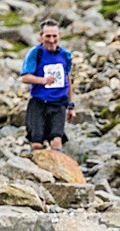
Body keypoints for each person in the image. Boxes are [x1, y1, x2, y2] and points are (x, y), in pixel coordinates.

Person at [20, 19, 76, 152]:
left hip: (58, 104)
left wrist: (71, 106)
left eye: (54, 36)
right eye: (48, 36)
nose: (51, 40)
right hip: (38, 103)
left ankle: (57, 170)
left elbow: (68, 80)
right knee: (37, 144)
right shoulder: (35, 53)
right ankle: (39, 171)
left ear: (59, 35)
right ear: (41, 36)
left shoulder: (65, 55)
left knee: (56, 140)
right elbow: (25, 78)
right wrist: (43, 80)